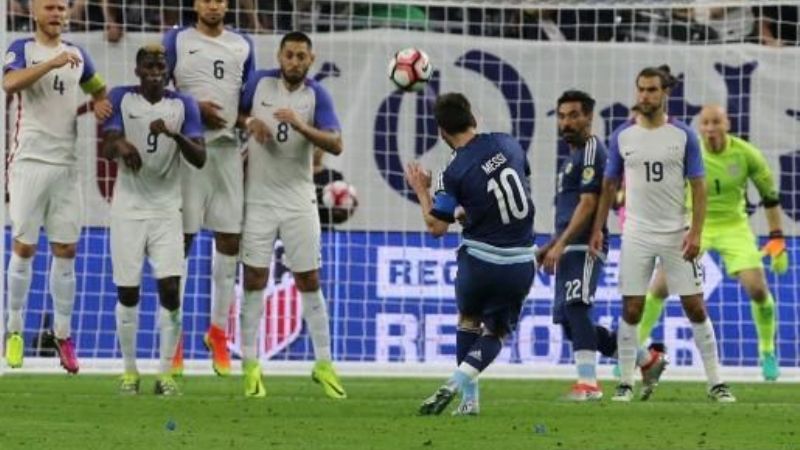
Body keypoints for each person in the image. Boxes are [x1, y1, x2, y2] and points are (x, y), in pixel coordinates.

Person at [589, 65, 735, 402]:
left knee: (695, 307)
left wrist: (696, 232)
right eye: (641, 89)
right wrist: (598, 228)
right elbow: (609, 185)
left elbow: (698, 188)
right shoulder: (622, 136)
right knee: (632, 309)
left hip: (676, 233)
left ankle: (716, 383)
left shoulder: (683, 136)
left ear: (664, 93)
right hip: (636, 233)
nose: (645, 96)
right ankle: (625, 381)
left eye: (652, 90)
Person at [408, 93, 536, 416]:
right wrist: (473, 212)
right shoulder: (509, 143)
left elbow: (436, 227)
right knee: (496, 333)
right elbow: (512, 192)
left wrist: (422, 189)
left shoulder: (452, 172)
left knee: (468, 320)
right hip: (520, 260)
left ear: (441, 131)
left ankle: (465, 395)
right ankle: (462, 392)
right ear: (473, 119)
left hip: (479, 262)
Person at [638, 105, 788, 381]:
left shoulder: (746, 154)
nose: (710, 128)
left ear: (727, 124)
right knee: (659, 287)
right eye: (705, 123)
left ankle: (767, 351)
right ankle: (635, 349)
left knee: (757, 288)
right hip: (696, 224)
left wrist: (777, 237)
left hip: (734, 226)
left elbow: (769, 197)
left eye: (715, 122)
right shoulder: (688, 152)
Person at [3, 0, 112, 374]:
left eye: (62, 8)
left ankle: (62, 334)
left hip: (66, 166)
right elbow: (9, 83)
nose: (57, 13)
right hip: (30, 162)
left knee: (66, 249)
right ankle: (14, 330)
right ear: (35, 12)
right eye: (49, 7)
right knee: (24, 246)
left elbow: (99, 89)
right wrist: (48, 64)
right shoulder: (21, 48)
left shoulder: (78, 55)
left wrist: (99, 102)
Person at [539, 90, 667, 401]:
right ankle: (646, 360)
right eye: (562, 115)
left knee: (577, 307)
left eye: (574, 115)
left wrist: (562, 244)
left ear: (588, 118)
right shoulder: (571, 158)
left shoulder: (592, 151)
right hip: (568, 245)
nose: (567, 122)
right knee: (570, 324)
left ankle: (588, 384)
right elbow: (570, 210)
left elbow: (588, 204)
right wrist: (552, 244)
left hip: (585, 245)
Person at [237, 31, 346, 399]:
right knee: (253, 278)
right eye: (290, 55)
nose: (295, 62)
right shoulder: (259, 83)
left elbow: (336, 143)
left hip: (299, 199)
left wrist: (301, 126)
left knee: (309, 278)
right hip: (259, 198)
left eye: (302, 56)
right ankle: (250, 365)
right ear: (280, 55)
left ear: (310, 60)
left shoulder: (317, 96)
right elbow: (233, 113)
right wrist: (249, 123)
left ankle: (324, 364)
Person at [102, 44, 206, 395]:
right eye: (148, 66)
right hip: (128, 208)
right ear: (137, 70)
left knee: (171, 289)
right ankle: (130, 372)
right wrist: (121, 146)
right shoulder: (121, 98)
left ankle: (166, 375)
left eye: (161, 66)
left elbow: (200, 158)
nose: (155, 72)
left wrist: (174, 134)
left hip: (166, 210)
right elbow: (107, 144)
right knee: (128, 292)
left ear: (168, 71)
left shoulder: (183, 106)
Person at [163, 0, 255, 377]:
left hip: (228, 152)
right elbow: (155, 92)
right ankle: (174, 339)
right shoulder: (176, 40)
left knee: (230, 241)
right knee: (181, 242)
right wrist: (192, 106)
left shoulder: (243, 44)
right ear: (197, 4)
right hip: (189, 150)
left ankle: (218, 331)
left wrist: (251, 121)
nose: (213, 5)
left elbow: (245, 101)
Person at [313, 148, 356, 229]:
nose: (315, 150)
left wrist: (346, 210)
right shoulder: (292, 175)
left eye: (318, 146)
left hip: (324, 231)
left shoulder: (334, 176)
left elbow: (338, 218)